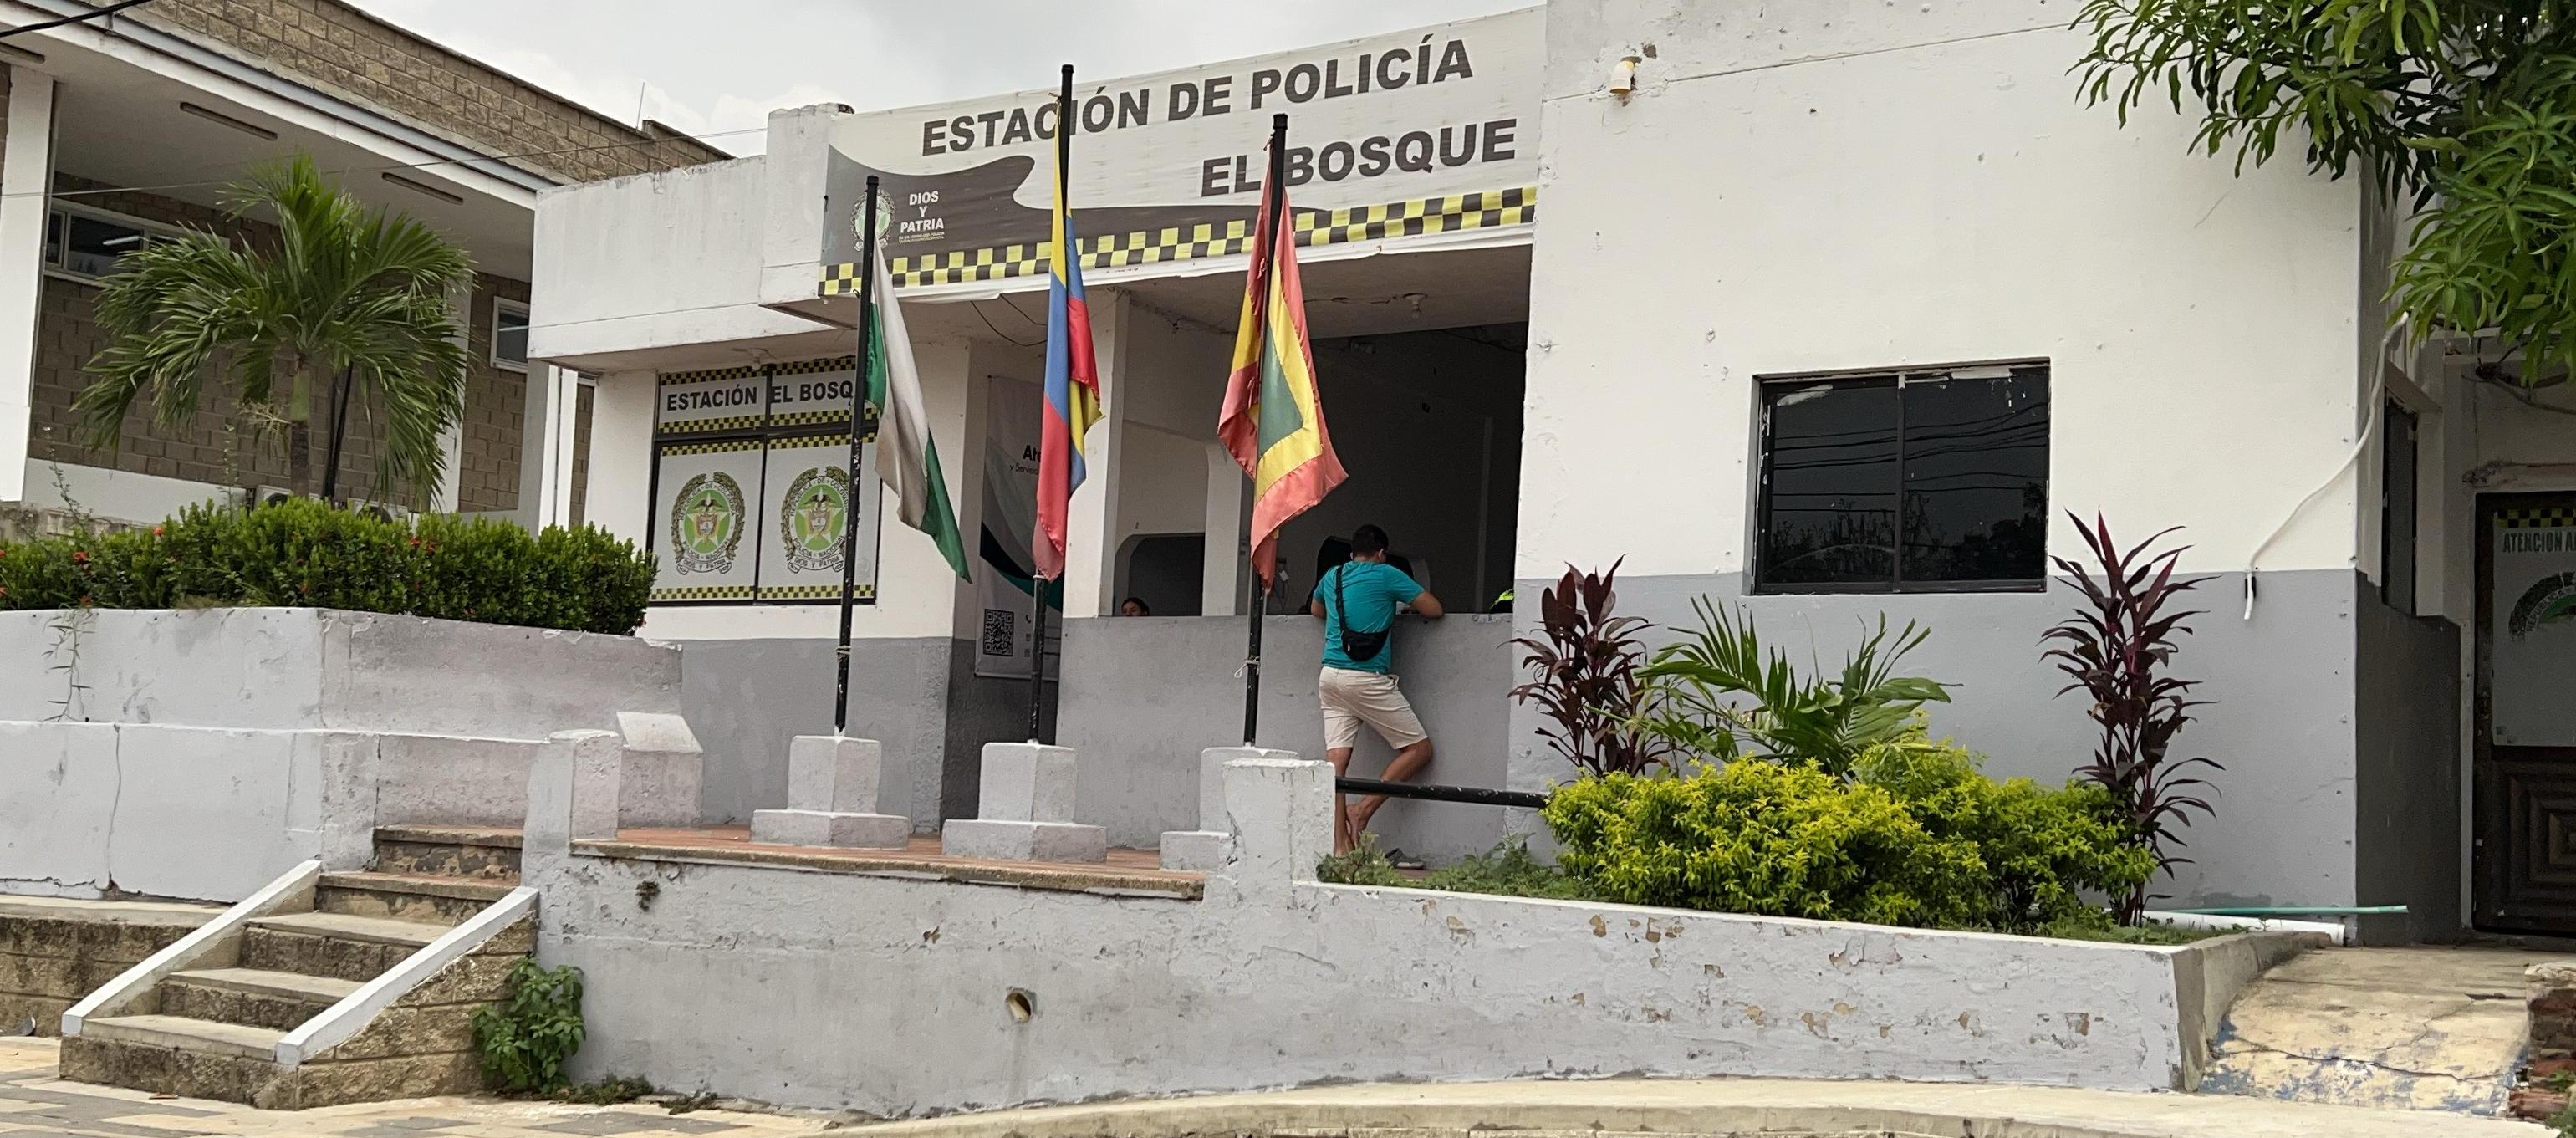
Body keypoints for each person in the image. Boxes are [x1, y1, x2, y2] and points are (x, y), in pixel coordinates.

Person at [1309, 523, 1444, 854]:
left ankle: (1340, 846)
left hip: (1330, 677)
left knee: (1336, 763)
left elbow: (1316, 610)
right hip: (1366, 678)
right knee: (1419, 750)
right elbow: (1434, 609)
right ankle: (1363, 809)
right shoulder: (1387, 575)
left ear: (1351, 553)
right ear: (1382, 553)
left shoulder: (1333, 576)